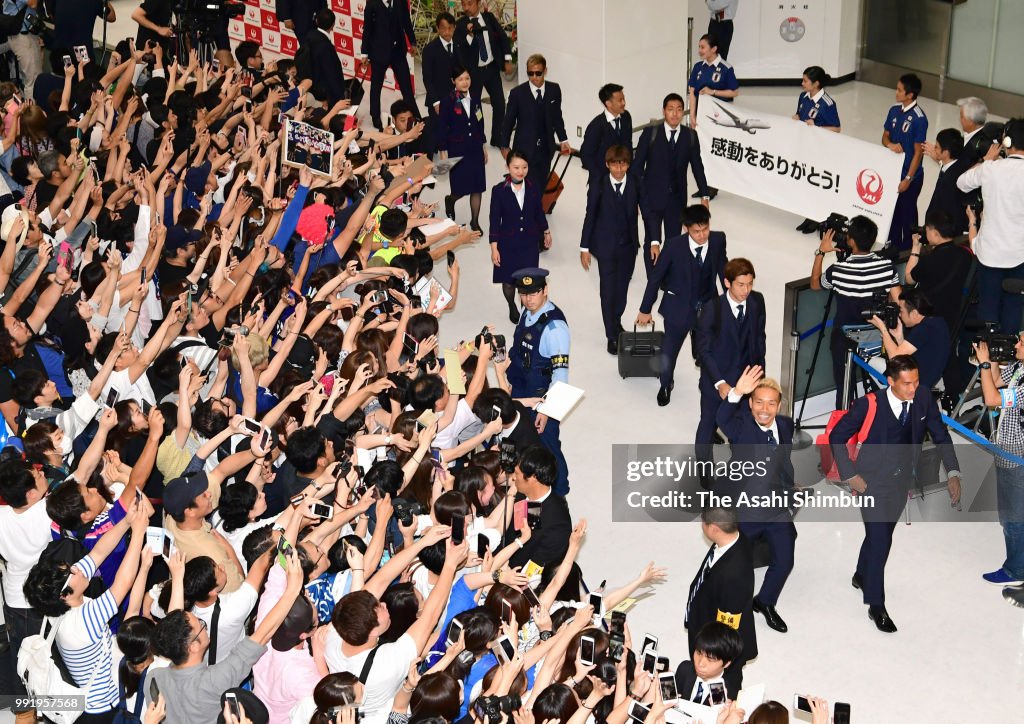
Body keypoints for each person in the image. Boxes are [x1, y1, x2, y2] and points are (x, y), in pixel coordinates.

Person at [829, 355, 961, 632]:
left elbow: (940, 435)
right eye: (906, 384)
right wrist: (851, 475)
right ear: (890, 381)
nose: (913, 389)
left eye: (916, 382)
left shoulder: (923, 398)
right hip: (870, 483)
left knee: (882, 534)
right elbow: (837, 436)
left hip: (902, 483)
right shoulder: (868, 405)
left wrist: (953, 471)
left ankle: (861, 574)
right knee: (881, 541)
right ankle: (876, 605)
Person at [150, 550, 307, 724]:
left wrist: (178, 578)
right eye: (201, 625)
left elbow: (174, 629)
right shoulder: (213, 681)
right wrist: (292, 590)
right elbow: (262, 635)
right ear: (193, 646)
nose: (204, 625)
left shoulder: (154, 677)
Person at [717, 367, 796, 633]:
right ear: (750, 404)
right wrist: (737, 391)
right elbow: (722, 417)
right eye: (758, 402)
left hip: (776, 508)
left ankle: (765, 601)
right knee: (737, 564)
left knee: (785, 561)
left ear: (779, 405)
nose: (764, 408)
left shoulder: (785, 425)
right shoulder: (741, 430)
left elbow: (784, 460)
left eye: (771, 403)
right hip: (746, 509)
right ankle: (726, 608)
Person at [636, 205, 727, 407]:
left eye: (705, 229)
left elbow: (723, 271)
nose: (703, 235)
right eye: (697, 231)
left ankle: (699, 345)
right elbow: (655, 278)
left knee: (709, 349)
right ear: (686, 229)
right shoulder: (673, 246)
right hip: (678, 307)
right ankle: (666, 384)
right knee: (668, 352)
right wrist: (645, 309)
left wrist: (730, 299)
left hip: (707, 305)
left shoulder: (718, 240)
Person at [809, 215, 899, 408]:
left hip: (845, 337)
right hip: (878, 334)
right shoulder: (886, 267)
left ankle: (845, 415)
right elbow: (898, 299)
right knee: (878, 380)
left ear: (851, 240)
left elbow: (815, 284)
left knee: (844, 384)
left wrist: (820, 252)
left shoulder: (839, 269)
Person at [695, 258, 765, 476]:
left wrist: (759, 375)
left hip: (746, 384)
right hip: (718, 384)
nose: (746, 290)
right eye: (741, 285)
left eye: (750, 284)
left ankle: (739, 473)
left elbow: (760, 340)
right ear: (727, 282)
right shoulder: (711, 309)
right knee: (707, 427)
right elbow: (703, 351)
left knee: (743, 431)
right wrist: (720, 382)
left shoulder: (757, 301)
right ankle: (705, 474)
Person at [506, 268, 571, 496]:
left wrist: (546, 411)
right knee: (523, 441)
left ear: (545, 290)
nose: (528, 299)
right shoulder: (527, 312)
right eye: (523, 294)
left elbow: (561, 376)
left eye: (533, 293)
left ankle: (560, 492)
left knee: (548, 448)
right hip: (522, 389)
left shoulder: (555, 329)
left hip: (543, 398)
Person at [956, 119, 1024, 333]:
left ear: (1007, 141)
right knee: (1013, 306)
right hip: (1019, 254)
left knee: (988, 307)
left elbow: (961, 182)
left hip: (990, 254)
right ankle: (1008, 357)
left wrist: (986, 160)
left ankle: (985, 357)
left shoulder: (991, 169)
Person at [633, 93, 710, 275]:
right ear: (664, 111)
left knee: (673, 239)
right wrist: (635, 196)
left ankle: (667, 275)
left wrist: (705, 195)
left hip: (676, 199)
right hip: (651, 197)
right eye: (670, 109)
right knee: (652, 238)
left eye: (678, 110)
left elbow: (697, 167)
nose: (675, 114)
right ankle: (653, 276)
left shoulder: (690, 136)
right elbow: (637, 168)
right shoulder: (650, 133)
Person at [684, 506, 756, 694]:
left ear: (714, 528)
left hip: (718, 641)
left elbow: (726, 627)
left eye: (704, 523)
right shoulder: (732, 541)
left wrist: (709, 655)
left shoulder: (734, 574)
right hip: (706, 617)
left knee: (727, 681)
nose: (702, 526)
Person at [579, 144, 643, 355]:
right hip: (605, 248)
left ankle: (616, 321)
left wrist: (654, 240)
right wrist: (584, 246)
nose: (618, 169)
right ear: (607, 165)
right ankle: (611, 335)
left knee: (622, 291)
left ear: (627, 164)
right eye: (614, 164)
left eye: (622, 164)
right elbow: (590, 215)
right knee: (608, 292)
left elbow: (647, 212)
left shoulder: (635, 182)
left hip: (628, 248)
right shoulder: (598, 184)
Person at [975, 335, 1024, 607]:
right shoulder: (1019, 367)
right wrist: (992, 358)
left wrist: (983, 365)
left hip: (1018, 455)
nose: (1015, 345)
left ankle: (1016, 569)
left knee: (1014, 516)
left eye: (1021, 342)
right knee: (1010, 512)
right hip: (1008, 449)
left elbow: (992, 398)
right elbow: (997, 381)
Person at [904, 209, 974, 399]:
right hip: (954, 315)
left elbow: (909, 278)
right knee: (948, 353)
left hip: (930, 317)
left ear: (934, 232)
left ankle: (915, 392)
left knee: (921, 355)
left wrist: (916, 248)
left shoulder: (931, 260)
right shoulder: (965, 255)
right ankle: (954, 397)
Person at [489, 150, 549, 324]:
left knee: (528, 281)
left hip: (529, 243)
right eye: (516, 167)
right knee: (508, 282)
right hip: (507, 243)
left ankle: (526, 310)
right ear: (508, 167)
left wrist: (546, 231)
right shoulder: (499, 191)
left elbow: (539, 212)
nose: (520, 171)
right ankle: (511, 305)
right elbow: (494, 220)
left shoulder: (533, 187)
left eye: (524, 167)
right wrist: (494, 247)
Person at [499, 54, 570, 193]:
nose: (534, 77)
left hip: (546, 148)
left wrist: (563, 139)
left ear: (545, 71)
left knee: (541, 184)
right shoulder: (517, 93)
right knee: (521, 186)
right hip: (523, 148)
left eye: (538, 73)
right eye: (530, 73)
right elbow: (508, 122)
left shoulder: (554, 90)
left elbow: (557, 116)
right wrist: (504, 146)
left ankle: (536, 211)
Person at [454, 0, 513, 147]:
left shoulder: (489, 18)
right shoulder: (461, 24)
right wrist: (469, 35)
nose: (466, 8)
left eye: (469, 4)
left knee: (499, 104)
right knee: (475, 108)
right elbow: (459, 48)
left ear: (478, 3)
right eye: (464, 5)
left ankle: (497, 137)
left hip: (491, 69)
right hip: (474, 73)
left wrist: (507, 59)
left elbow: (503, 37)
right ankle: (478, 136)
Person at [687, 34, 738, 200]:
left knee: (716, 148)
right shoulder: (698, 67)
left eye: (703, 47)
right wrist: (692, 115)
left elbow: (734, 92)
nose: (700, 50)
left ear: (714, 49)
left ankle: (713, 185)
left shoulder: (725, 68)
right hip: (702, 115)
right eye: (699, 47)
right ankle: (704, 185)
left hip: (720, 116)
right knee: (701, 150)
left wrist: (713, 92)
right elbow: (692, 92)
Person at [868, 287, 950, 390]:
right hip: (925, 381)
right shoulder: (936, 323)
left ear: (914, 313)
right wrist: (899, 337)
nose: (900, 315)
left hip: (913, 384)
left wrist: (882, 328)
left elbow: (894, 357)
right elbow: (913, 354)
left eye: (901, 311)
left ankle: (889, 399)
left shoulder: (923, 329)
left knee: (871, 362)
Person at [882, 73, 928, 251]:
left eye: (900, 90)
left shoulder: (919, 119)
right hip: (893, 171)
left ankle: (909, 248)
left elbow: (918, 152)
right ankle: (892, 243)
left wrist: (908, 178)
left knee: (907, 212)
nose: (896, 92)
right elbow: (884, 137)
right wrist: (891, 145)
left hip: (910, 175)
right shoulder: (894, 110)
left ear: (910, 95)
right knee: (893, 211)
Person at [505, 445, 572, 568]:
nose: (513, 478)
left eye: (517, 474)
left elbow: (535, 568)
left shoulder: (557, 525)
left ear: (533, 478)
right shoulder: (520, 494)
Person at [439, 65, 487, 232]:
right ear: (453, 81)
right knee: (460, 188)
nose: (465, 82)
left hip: (474, 148)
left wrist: (483, 145)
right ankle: (451, 200)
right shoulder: (447, 102)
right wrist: (443, 150)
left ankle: (474, 221)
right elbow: (442, 128)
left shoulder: (475, 99)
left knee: (477, 186)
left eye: (467, 78)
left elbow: (480, 123)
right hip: (457, 150)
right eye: (460, 79)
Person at [794, 66, 841, 234]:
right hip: (805, 147)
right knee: (806, 181)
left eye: (805, 81)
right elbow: (800, 115)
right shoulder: (803, 97)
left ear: (816, 84)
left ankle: (817, 218)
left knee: (816, 183)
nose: (802, 83)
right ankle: (808, 216)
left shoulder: (828, 104)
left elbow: (836, 129)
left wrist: (817, 126)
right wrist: (797, 118)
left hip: (821, 150)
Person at [361, 0, 419, 132]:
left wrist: (413, 41)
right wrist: (364, 52)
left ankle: (415, 115)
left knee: (406, 87)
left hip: (398, 51)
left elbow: (406, 21)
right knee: (376, 86)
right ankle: (375, 115)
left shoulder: (400, 1)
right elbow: (367, 28)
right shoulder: (372, 4)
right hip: (378, 52)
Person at [673, 622, 744, 702]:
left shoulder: (730, 693)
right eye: (698, 653)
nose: (700, 664)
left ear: (726, 663)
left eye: (710, 659)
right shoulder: (684, 669)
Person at [579, 84, 632, 184]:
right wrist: (600, 176)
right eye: (620, 100)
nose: (624, 103)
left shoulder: (626, 117)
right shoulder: (596, 126)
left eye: (624, 99)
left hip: (624, 178)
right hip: (602, 182)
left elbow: (628, 143)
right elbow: (586, 156)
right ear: (608, 103)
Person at [923, 128, 970, 235]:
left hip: (942, 232)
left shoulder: (949, 181)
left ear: (946, 152)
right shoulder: (960, 163)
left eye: (937, 147)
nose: (934, 149)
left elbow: (944, 209)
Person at [301, 9, 348, 105]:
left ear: (317, 21)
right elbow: (331, 74)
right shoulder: (325, 47)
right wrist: (340, 98)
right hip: (324, 94)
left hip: (311, 87)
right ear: (333, 25)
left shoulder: (309, 36)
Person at [421, 13, 458, 125]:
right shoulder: (429, 49)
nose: (447, 32)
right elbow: (427, 78)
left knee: (456, 130)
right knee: (439, 133)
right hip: (438, 99)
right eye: (443, 28)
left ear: (454, 28)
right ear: (437, 28)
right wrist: (436, 102)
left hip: (457, 98)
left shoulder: (458, 45)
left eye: (450, 28)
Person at [3, 0, 43, 100]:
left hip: (22, 35)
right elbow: (33, 3)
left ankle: (28, 108)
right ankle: (32, 113)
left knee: (28, 78)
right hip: (22, 37)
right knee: (33, 80)